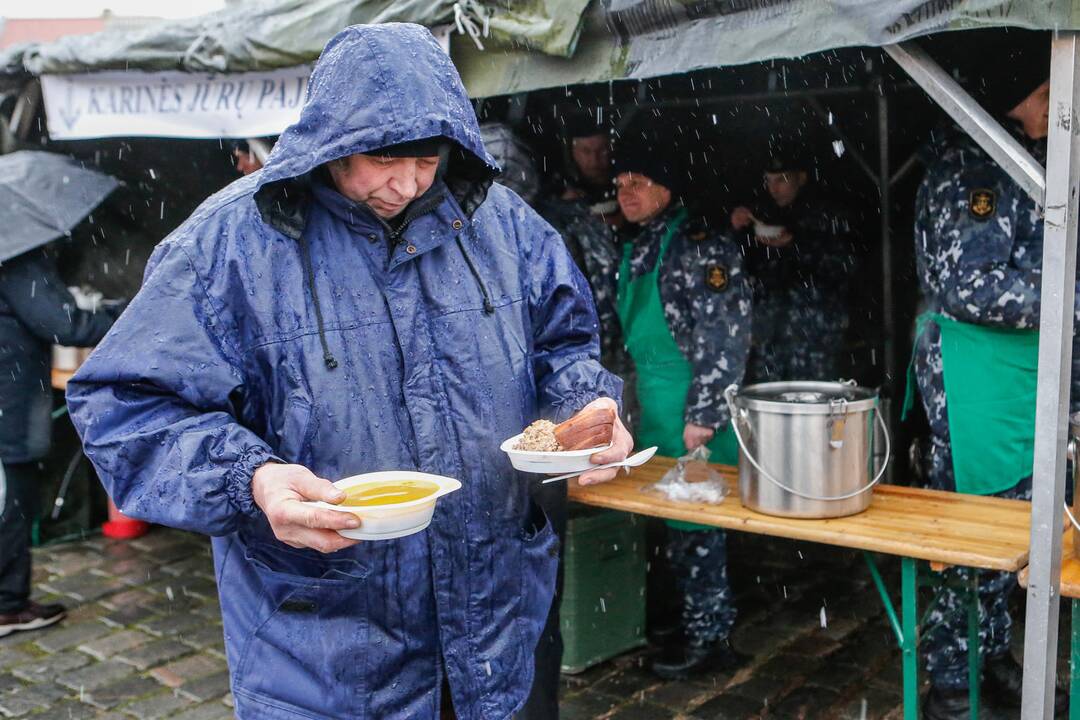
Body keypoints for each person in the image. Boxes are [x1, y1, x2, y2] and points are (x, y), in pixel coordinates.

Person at [67, 23, 630, 720]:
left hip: (496, 629)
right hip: (324, 652)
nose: (407, 183)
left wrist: (585, 411)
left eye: (427, 160)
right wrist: (251, 478)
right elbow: (126, 403)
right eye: (383, 161)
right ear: (330, 144)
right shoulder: (231, 244)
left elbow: (567, 345)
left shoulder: (504, 226)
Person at [908, 33, 1068, 720]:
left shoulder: (1015, 155)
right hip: (971, 377)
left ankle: (992, 657)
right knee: (971, 529)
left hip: (1008, 374)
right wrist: (1067, 295)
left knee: (1012, 525)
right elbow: (969, 285)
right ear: (1012, 97)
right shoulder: (974, 164)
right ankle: (950, 681)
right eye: (1046, 92)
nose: (1060, 103)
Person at [612, 139, 752, 680]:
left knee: (697, 522)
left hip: (691, 404)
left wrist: (707, 411)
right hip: (653, 401)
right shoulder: (641, 243)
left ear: (668, 189)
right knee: (668, 522)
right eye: (620, 182)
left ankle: (710, 639)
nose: (626, 192)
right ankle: (682, 622)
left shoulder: (701, 244)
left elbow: (726, 334)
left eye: (639, 182)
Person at [0, 246, 122, 636]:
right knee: (11, 499)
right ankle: (7, 606)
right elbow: (65, 325)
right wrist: (131, 310)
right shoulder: (15, 254)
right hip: (8, 402)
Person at [730, 144, 857, 382]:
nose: (773, 188)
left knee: (812, 400)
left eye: (781, 180)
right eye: (769, 181)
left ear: (801, 178)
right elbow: (741, 267)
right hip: (770, 333)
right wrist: (738, 230)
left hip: (814, 333)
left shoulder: (827, 214)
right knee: (769, 401)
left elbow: (845, 264)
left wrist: (795, 243)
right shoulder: (764, 214)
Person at [538, 115, 622, 366]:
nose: (595, 159)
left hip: (629, 322)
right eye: (586, 150)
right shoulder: (556, 198)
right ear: (572, 150)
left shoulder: (628, 186)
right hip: (589, 328)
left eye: (602, 149)